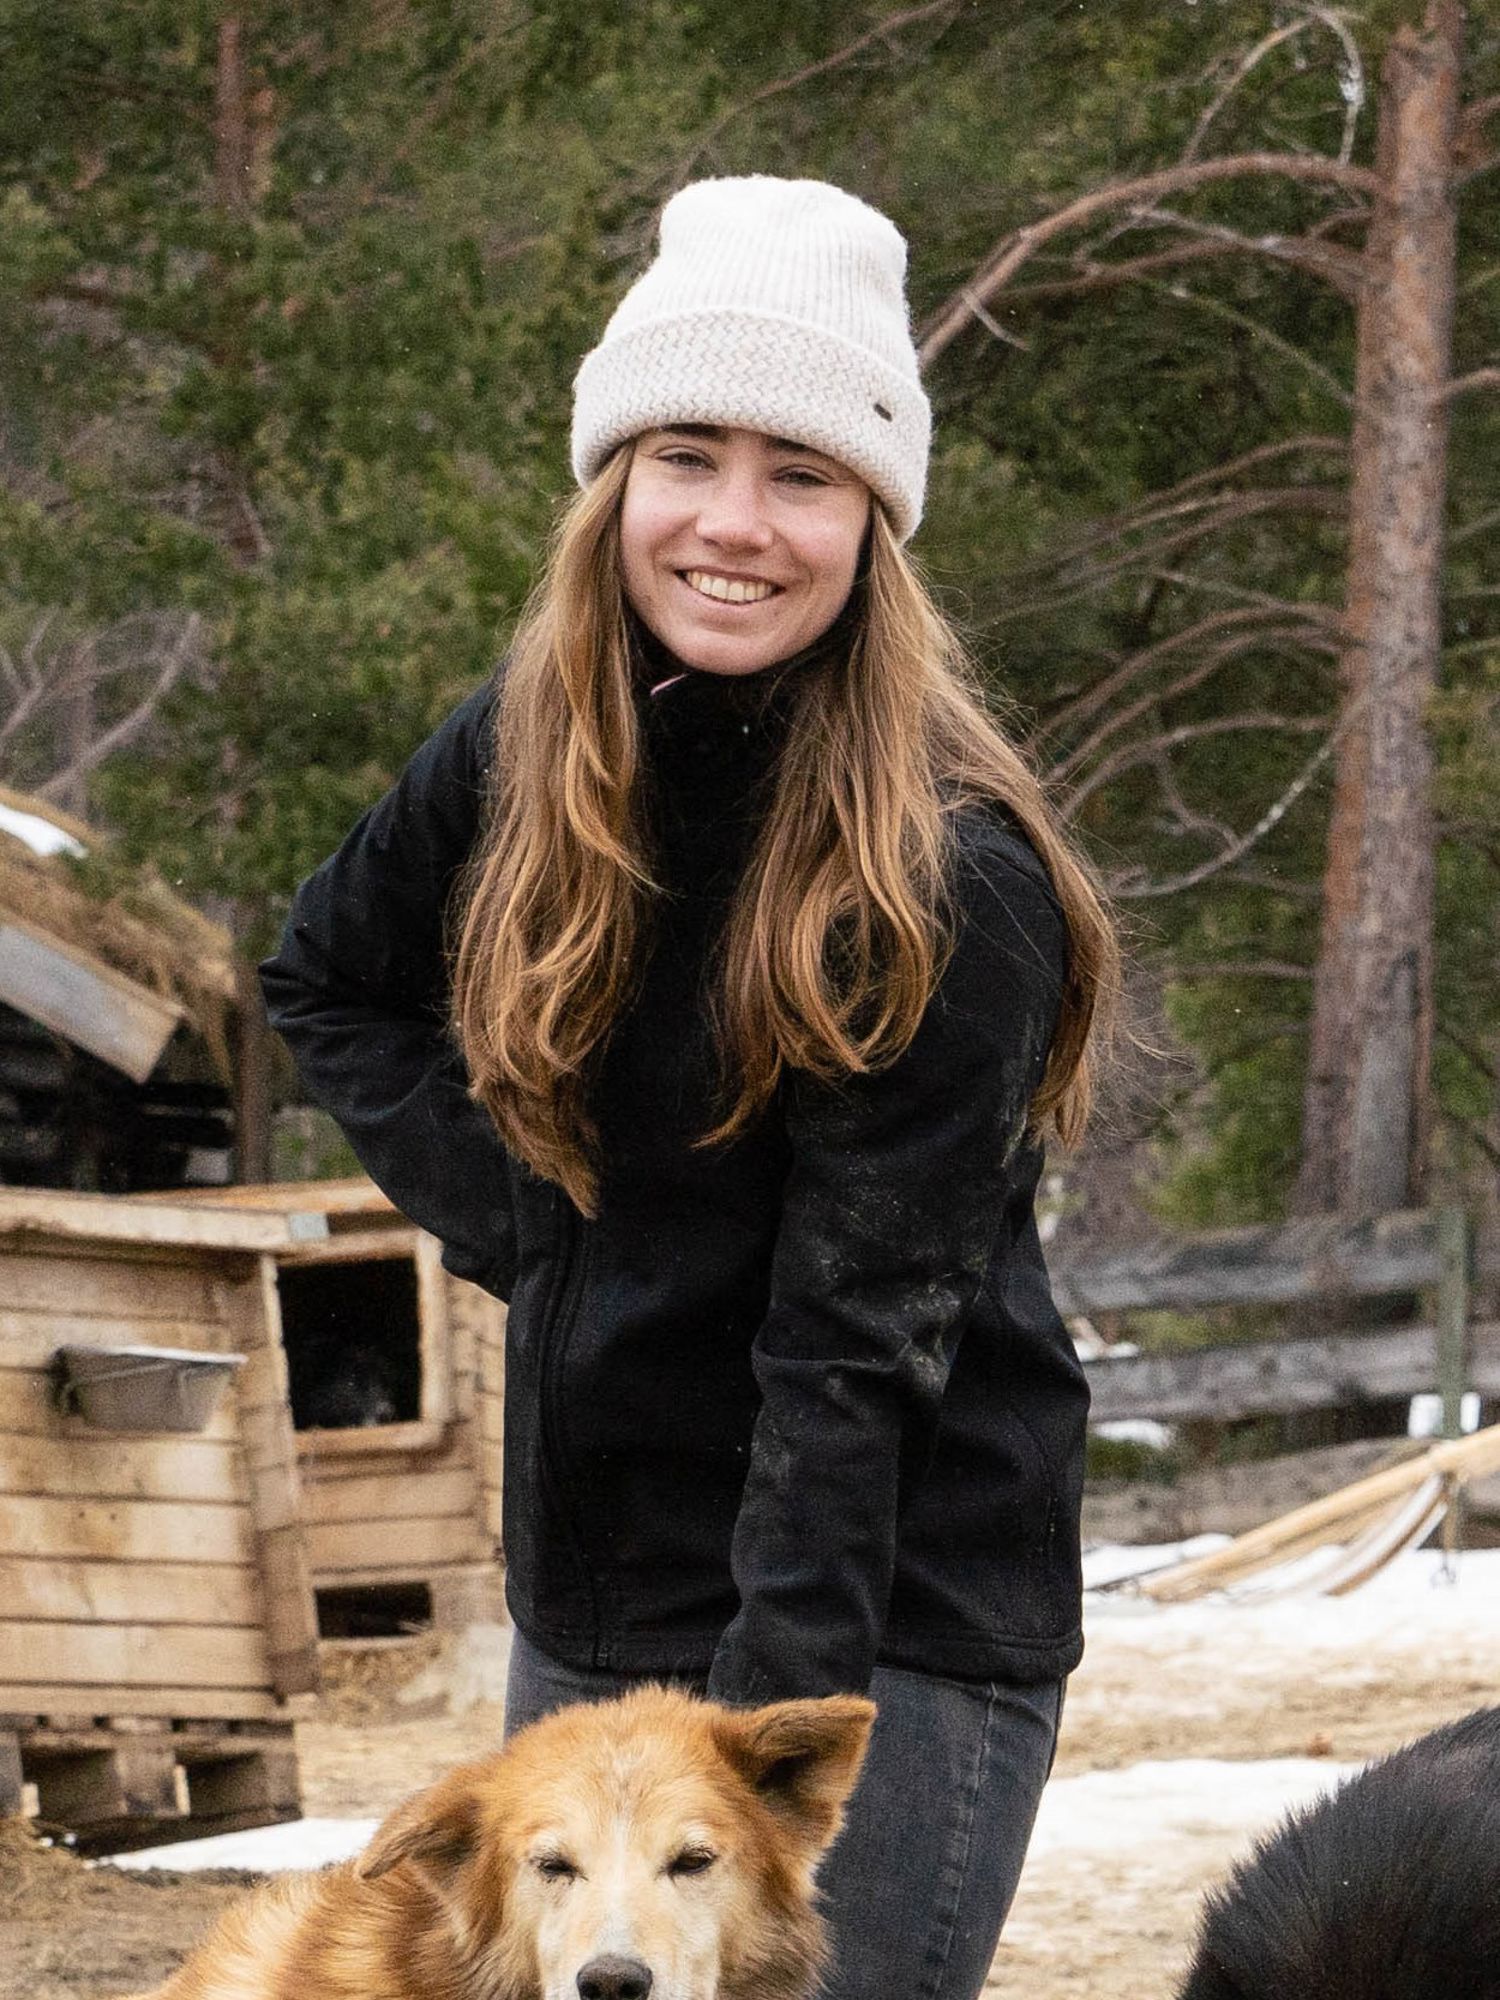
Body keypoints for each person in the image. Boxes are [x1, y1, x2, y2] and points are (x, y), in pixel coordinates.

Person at [261, 175, 1119, 2000]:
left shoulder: (950, 876)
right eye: (687, 457)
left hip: (882, 1609)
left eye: (802, 474)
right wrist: (544, 1234)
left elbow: (850, 1357)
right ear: (613, 484)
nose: (735, 524)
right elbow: (327, 980)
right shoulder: (522, 742)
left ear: (874, 521)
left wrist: (750, 1755)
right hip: (601, 1576)